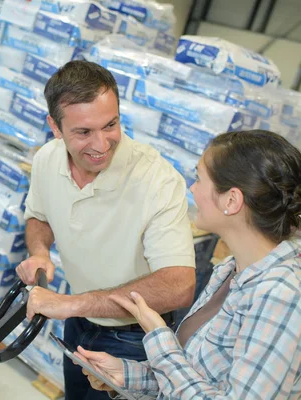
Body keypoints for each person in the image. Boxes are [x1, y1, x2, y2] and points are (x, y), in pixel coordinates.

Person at [16, 60, 197, 400]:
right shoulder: (47, 159)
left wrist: (72, 303)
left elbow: (179, 285)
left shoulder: (157, 179)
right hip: (78, 323)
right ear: (55, 127)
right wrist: (40, 253)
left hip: (133, 340)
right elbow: (38, 216)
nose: (101, 144)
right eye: (83, 132)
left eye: (110, 124)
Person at [76, 130, 301, 399]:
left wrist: (160, 337)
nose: (192, 188)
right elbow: (195, 377)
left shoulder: (282, 295)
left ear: (231, 200)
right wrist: (127, 374)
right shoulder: (230, 270)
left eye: (199, 179)